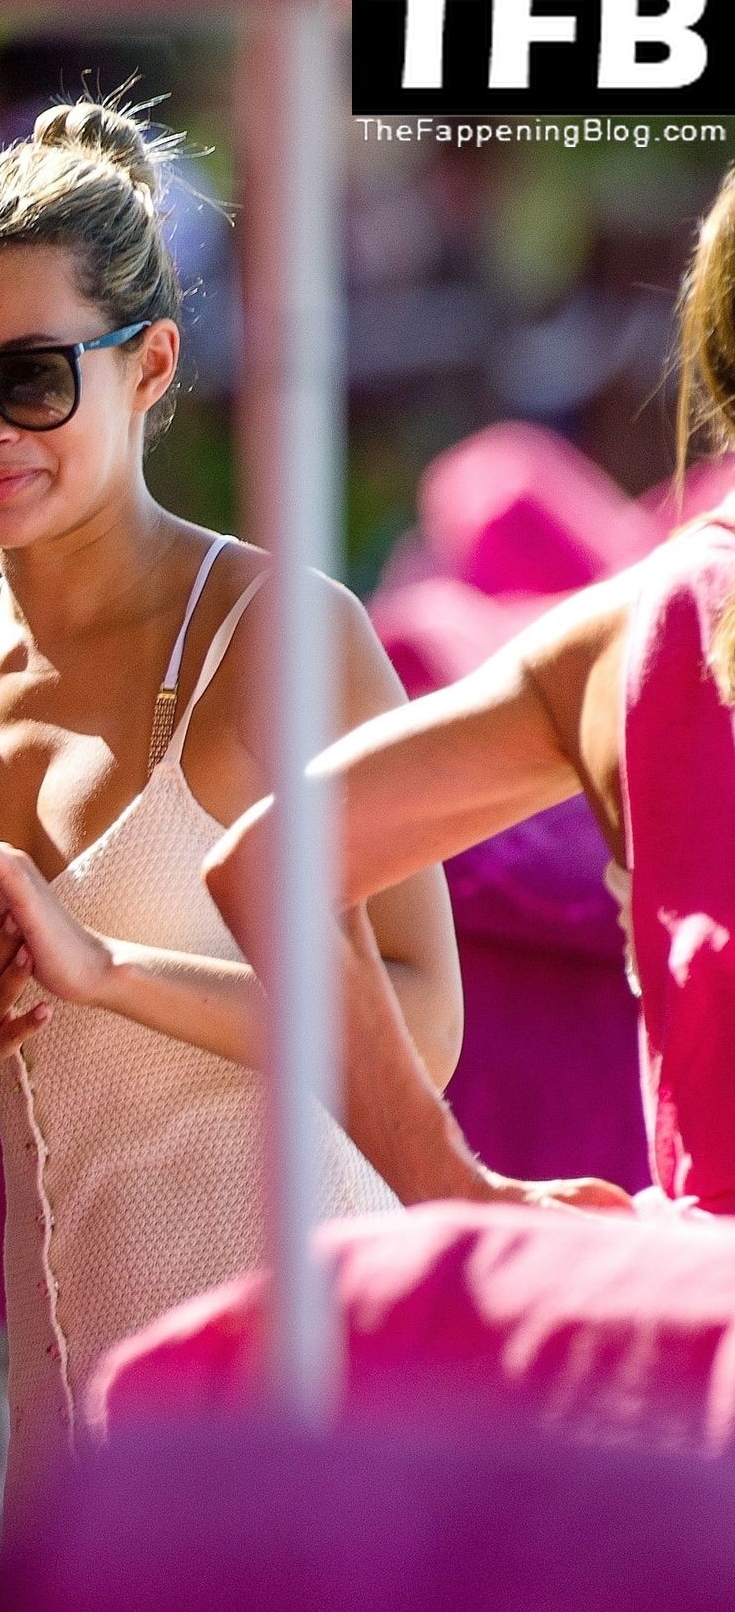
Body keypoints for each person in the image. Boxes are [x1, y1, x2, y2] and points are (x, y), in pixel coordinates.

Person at [0, 97, 458, 1494]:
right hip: (79, 1427)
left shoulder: (283, 634)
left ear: (150, 362)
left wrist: (109, 969)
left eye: (30, 376)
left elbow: (422, 1025)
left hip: (322, 1394)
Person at [206, 160, 735, 1220]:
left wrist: (443, 1180)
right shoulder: (642, 621)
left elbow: (271, 860)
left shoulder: (628, 623)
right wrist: (443, 1177)